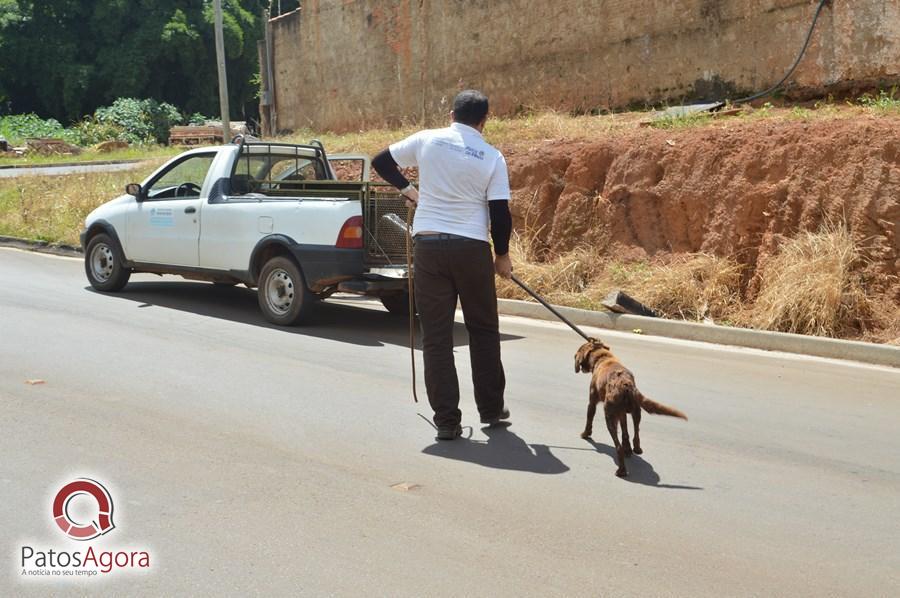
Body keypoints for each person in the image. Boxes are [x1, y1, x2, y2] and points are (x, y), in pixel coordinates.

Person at [372, 89, 513, 440]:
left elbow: (380, 160)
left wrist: (410, 191)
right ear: (484, 121)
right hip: (472, 249)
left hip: (430, 247)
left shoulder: (428, 140)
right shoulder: (492, 157)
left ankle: (447, 421)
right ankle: (492, 409)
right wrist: (502, 255)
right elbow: (499, 212)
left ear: (451, 115)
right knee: (483, 330)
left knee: (436, 337)